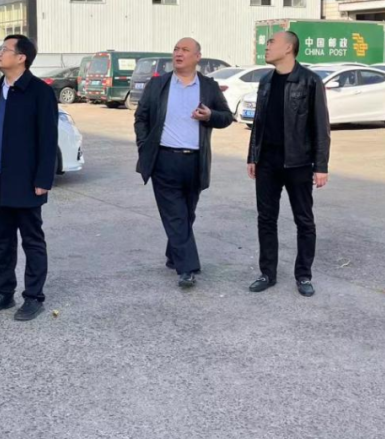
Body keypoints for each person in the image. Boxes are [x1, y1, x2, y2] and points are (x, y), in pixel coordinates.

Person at [134, 38, 233, 287]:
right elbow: (141, 117)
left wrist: (210, 115)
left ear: (197, 57)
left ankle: (174, 255)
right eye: (176, 49)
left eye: (185, 50)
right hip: (164, 159)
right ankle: (187, 268)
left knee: (186, 213)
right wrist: (145, 146)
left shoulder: (208, 87)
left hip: (195, 161)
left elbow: (226, 117)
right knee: (176, 215)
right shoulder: (159, 84)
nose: (178, 53)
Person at [0, 34, 59, 321]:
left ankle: (34, 296)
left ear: (21, 57)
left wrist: (43, 179)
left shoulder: (39, 92)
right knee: (3, 240)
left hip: (25, 180)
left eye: (5, 49)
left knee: (32, 240)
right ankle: (4, 292)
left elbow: (48, 138)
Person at [246, 30, 330, 297]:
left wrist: (321, 165)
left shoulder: (310, 81)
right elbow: (258, 122)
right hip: (267, 162)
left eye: (272, 42)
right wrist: (253, 156)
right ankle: (267, 273)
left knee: (304, 220)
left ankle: (303, 275)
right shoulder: (266, 81)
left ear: (288, 48)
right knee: (265, 219)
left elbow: (321, 126)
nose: (267, 46)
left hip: (299, 162)